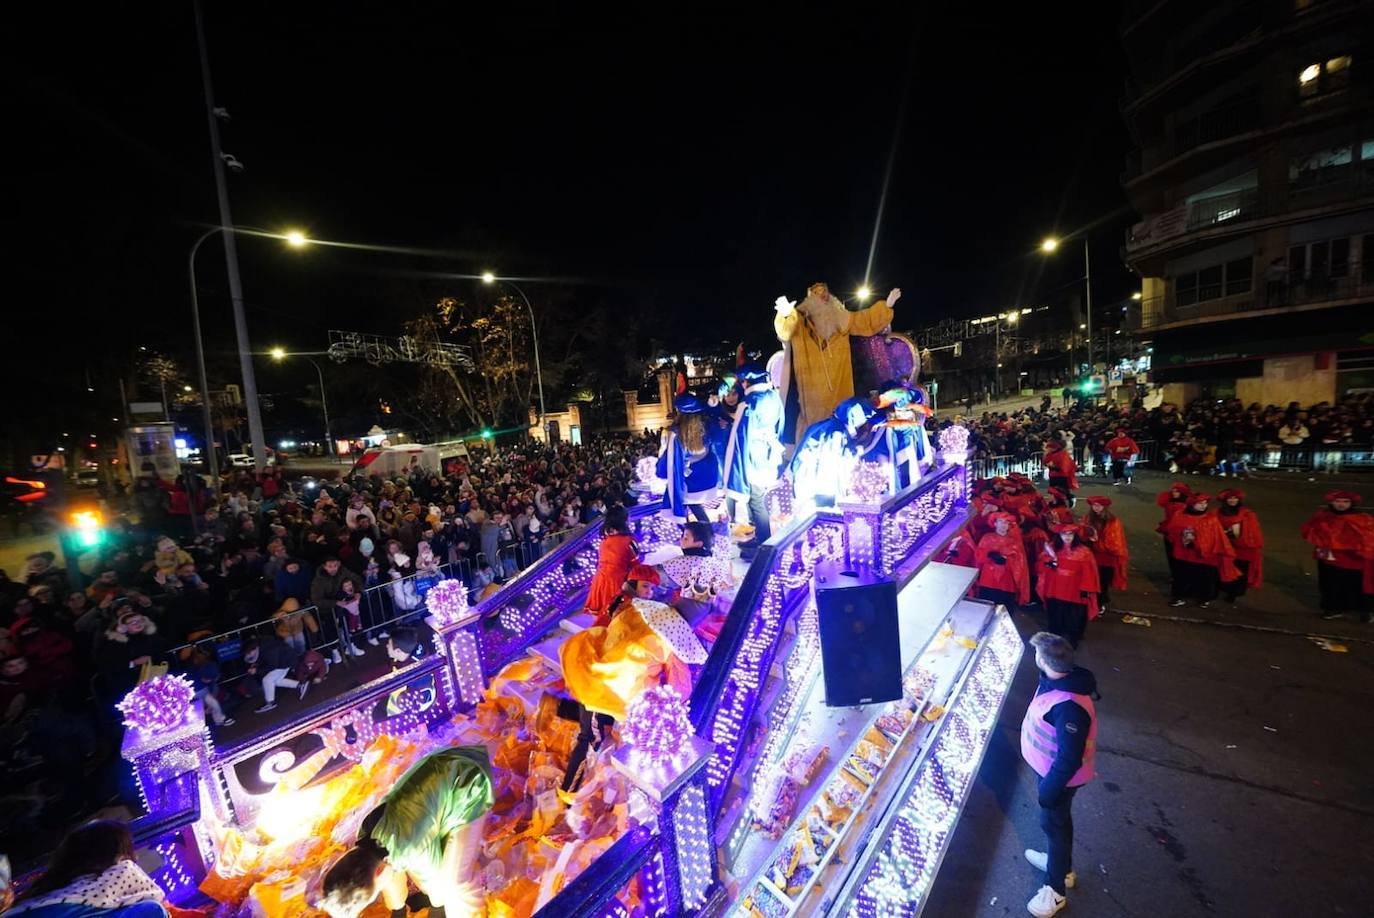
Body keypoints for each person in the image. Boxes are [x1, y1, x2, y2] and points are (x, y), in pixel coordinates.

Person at [319, 746, 494, 918]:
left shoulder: (408, 848)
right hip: (442, 766)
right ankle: (400, 909)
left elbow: (436, 883)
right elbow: (388, 872)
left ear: (379, 872)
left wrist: (438, 907)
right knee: (403, 872)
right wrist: (398, 909)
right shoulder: (365, 835)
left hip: (469, 780)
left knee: (455, 885)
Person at [559, 596, 706, 791]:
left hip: (588, 659)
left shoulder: (636, 613)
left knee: (592, 719)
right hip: (608, 688)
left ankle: (554, 707)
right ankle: (568, 792)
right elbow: (680, 689)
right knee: (590, 736)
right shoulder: (667, 644)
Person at [1020, 632, 1098, 918]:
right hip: (1051, 773)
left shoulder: (1068, 707)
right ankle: (1061, 866)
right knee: (1058, 824)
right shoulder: (1059, 680)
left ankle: (1055, 891)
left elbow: (1068, 759)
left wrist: (1048, 792)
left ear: (1042, 659)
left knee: (1054, 825)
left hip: (1058, 780)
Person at [774, 282, 899, 442]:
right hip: (813, 405)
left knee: (841, 437)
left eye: (825, 294)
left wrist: (886, 306)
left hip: (840, 397)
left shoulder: (842, 320)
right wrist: (785, 314)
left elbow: (865, 320)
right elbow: (785, 331)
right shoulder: (800, 324)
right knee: (814, 439)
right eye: (818, 294)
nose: (822, 298)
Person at [5, 819, 169, 917]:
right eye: (128, 853)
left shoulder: (34, 901)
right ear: (117, 859)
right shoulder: (146, 908)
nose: (135, 859)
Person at [721, 363, 785, 558]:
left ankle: (765, 544)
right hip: (768, 454)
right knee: (757, 499)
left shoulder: (748, 402)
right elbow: (781, 425)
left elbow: (738, 437)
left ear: (746, 381)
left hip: (753, 457)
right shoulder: (773, 396)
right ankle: (761, 538)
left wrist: (734, 469)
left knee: (756, 501)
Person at [789, 397, 880, 509]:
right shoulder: (836, 433)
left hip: (804, 484)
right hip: (815, 491)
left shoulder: (823, 425)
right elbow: (830, 466)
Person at [1300, 490, 1374, 622]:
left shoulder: (1362, 519)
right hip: (1328, 557)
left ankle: (1364, 610)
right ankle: (1333, 608)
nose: (1341, 504)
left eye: (1345, 502)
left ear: (1352, 503)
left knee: (1355, 584)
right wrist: (1321, 553)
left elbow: (1369, 538)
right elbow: (1312, 532)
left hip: (1352, 559)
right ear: (1331, 502)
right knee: (1329, 583)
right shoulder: (1323, 516)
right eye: (1337, 501)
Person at [1164, 493, 1238, 609]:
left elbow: (1216, 537)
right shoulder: (1180, 515)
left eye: (1205, 503)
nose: (1203, 506)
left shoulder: (1210, 519)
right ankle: (1180, 596)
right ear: (1192, 504)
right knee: (1182, 575)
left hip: (1204, 555)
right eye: (1200, 503)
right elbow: (1172, 531)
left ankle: (1204, 598)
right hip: (1184, 553)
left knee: (1204, 577)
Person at [1034, 523, 1099, 648]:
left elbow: (1090, 572)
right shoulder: (1051, 549)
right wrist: (1048, 564)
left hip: (1074, 591)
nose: (1067, 537)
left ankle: (1071, 642)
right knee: (1055, 616)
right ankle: (1054, 640)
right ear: (1059, 535)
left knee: (1073, 619)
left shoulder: (1084, 552)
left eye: (1071, 534)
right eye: (1064, 534)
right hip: (1055, 589)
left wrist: (1087, 589)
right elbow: (1039, 567)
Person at [657, 394, 720, 523]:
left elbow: (667, 464)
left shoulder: (676, 436)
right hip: (708, 480)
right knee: (693, 505)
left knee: (676, 500)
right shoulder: (706, 428)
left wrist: (659, 471)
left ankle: (693, 533)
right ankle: (705, 530)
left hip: (689, 483)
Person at [583, 505, 640, 622]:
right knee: (618, 618)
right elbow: (636, 565)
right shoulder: (629, 541)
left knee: (602, 619)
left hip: (600, 582)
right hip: (617, 584)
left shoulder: (604, 540)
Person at [973, 511, 1030, 609]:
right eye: (1000, 521)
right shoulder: (987, 538)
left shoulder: (1015, 542)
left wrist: (1007, 562)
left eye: (1006, 522)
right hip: (988, 581)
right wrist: (989, 555)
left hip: (1007, 583)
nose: (1003, 525)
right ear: (995, 523)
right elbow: (978, 557)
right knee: (985, 609)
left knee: (1005, 612)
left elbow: (1020, 565)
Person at [1080, 496, 1128, 614]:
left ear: (1104, 507)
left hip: (1106, 558)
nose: (1096, 508)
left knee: (1102, 582)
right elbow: (1082, 534)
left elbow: (1114, 543)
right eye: (1094, 505)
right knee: (1092, 581)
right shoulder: (1088, 518)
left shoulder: (1113, 521)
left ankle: (1100, 603)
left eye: (1099, 505)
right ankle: (1096, 601)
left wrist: (1096, 541)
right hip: (1092, 556)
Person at [1217, 489, 1264, 604]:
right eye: (1230, 498)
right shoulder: (1218, 513)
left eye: (1235, 498)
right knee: (1227, 568)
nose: (1233, 500)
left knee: (1241, 570)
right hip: (1227, 546)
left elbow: (1253, 531)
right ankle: (1227, 588)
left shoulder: (1247, 514)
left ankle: (1235, 592)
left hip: (1243, 548)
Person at [243, 635, 308, 713]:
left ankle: (270, 703)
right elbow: (265, 660)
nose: (249, 656)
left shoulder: (269, 649)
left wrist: (257, 670)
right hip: (283, 660)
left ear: (253, 649)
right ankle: (300, 685)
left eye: (249, 653)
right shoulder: (262, 647)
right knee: (276, 681)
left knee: (267, 680)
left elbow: (272, 666)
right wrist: (256, 666)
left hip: (285, 661)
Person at [1155, 482, 1192, 583]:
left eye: (1177, 491)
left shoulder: (1185, 505)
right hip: (1169, 531)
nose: (1174, 493)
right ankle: (1174, 574)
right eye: (1173, 491)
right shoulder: (1170, 502)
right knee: (1171, 555)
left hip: (1178, 533)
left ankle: (1179, 575)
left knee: (1178, 556)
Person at [1042, 441, 1079, 505]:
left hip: (1061, 475)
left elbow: (1064, 467)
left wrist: (1053, 466)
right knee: (1052, 490)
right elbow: (1045, 462)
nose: (1047, 449)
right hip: (1053, 475)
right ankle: (1053, 503)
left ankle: (1070, 498)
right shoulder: (1049, 454)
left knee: (1062, 490)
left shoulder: (1063, 454)